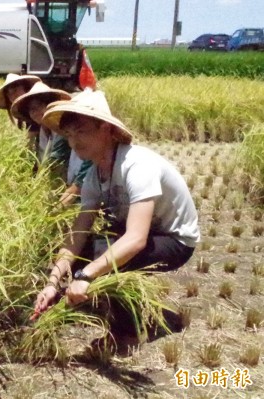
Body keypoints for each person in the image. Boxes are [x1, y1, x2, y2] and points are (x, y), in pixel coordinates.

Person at [33, 89, 200, 342]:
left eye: (82, 131)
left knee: (103, 255)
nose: (74, 142)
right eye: (69, 134)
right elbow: (77, 235)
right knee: (85, 254)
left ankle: (131, 330)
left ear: (106, 130)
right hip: (139, 232)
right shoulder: (93, 176)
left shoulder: (136, 165)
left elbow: (135, 240)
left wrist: (86, 275)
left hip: (174, 239)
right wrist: (53, 283)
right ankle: (114, 302)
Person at [10, 81, 94, 205]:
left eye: (39, 106)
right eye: (31, 109)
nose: (35, 112)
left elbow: (54, 162)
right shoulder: (42, 132)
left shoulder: (62, 131)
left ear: (50, 105)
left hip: (84, 188)